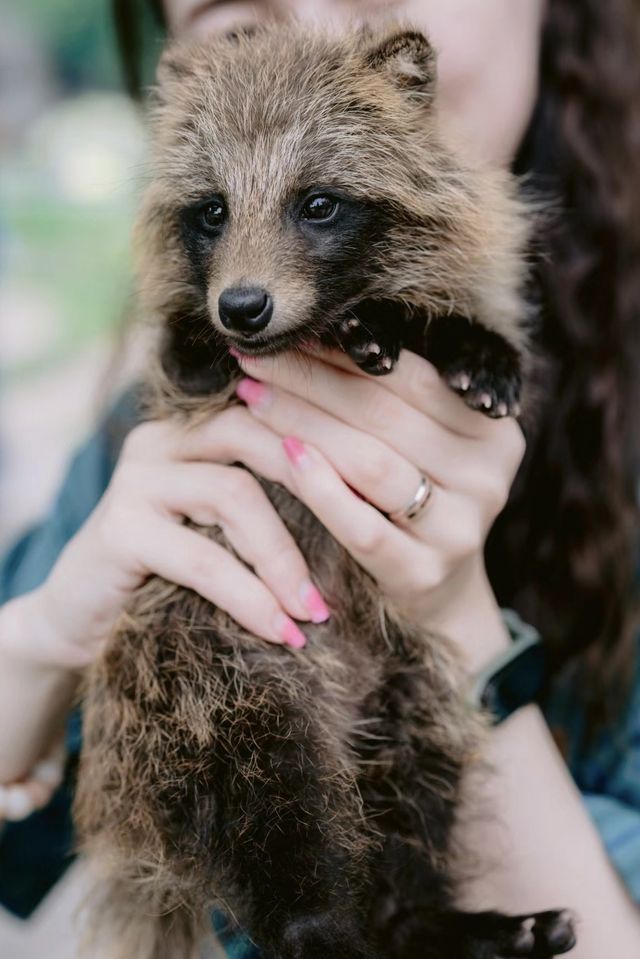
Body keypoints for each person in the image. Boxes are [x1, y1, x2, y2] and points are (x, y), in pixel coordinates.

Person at [1, 1, 639, 955]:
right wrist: (43, 641)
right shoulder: (131, 450)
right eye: (239, 20)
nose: (313, 31)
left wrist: (457, 618)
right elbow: (45, 853)